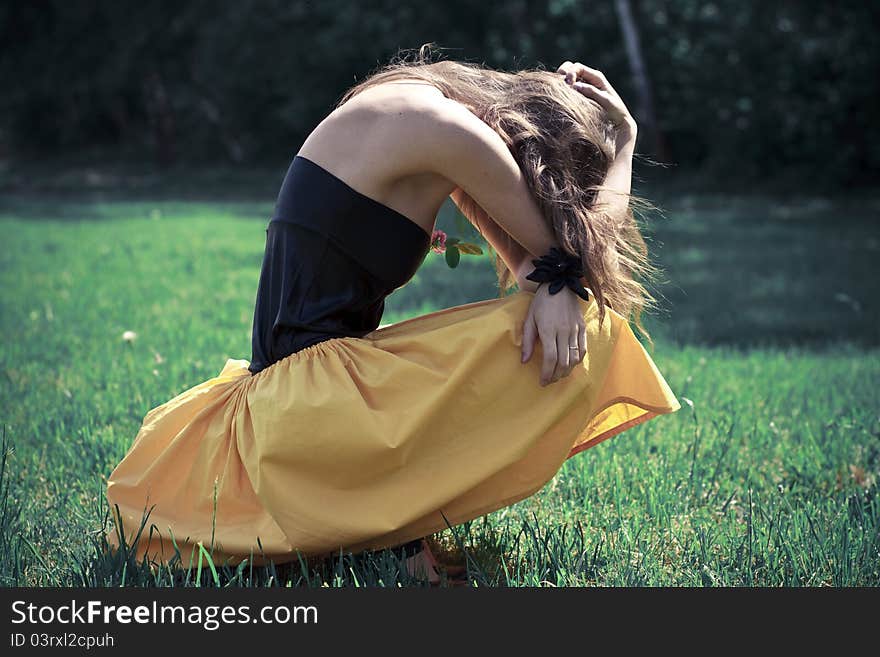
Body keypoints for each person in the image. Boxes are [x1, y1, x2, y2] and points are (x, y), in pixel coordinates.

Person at [105, 45, 681, 585]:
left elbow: (546, 269)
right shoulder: (451, 133)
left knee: (572, 306)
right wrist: (624, 142)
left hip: (303, 400)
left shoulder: (417, 108)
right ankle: (383, 530)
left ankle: (386, 528)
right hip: (312, 409)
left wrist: (563, 281)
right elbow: (583, 258)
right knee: (600, 326)